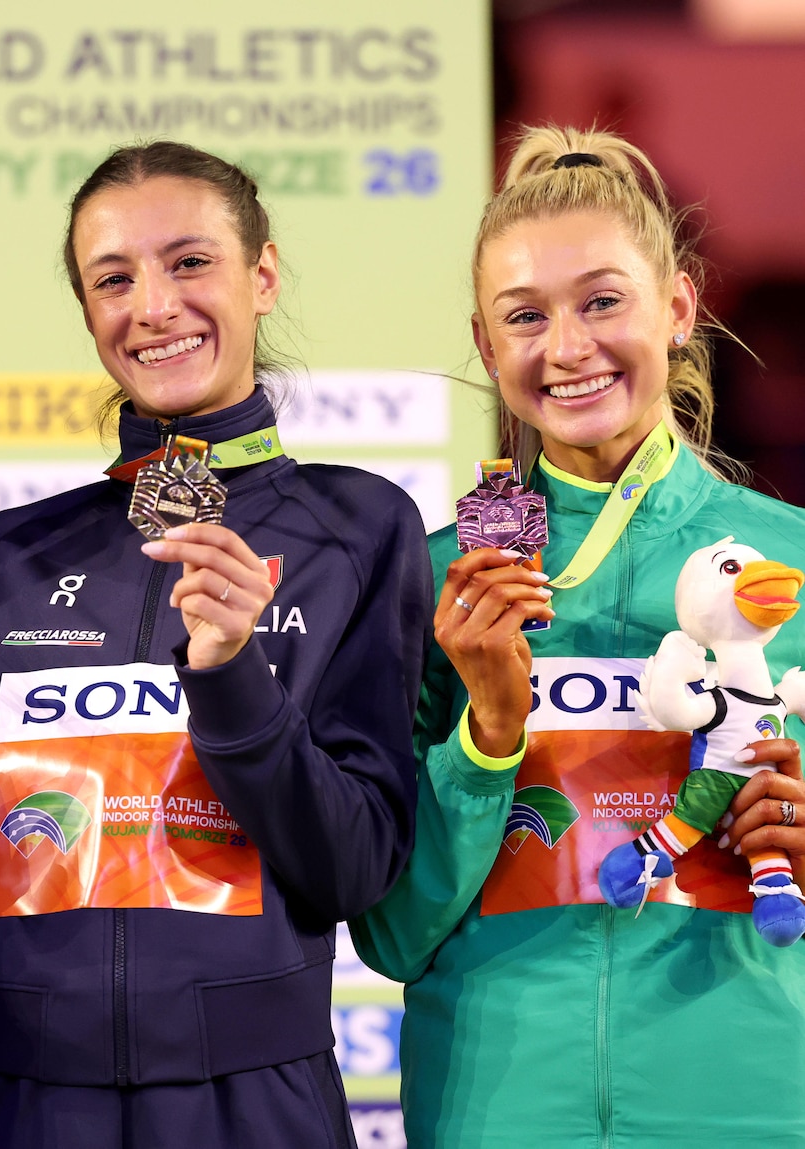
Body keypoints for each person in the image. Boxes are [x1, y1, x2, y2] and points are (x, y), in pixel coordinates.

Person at [0, 140, 432, 1149]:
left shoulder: (358, 528)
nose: (154, 306)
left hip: (255, 1105)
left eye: (190, 262)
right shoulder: (0, 559)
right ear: (88, 312)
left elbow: (354, 871)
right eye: (113, 279)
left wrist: (231, 674)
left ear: (263, 275)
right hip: (25, 1105)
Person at [350, 124, 805, 1149]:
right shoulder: (434, 582)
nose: (565, 348)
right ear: (486, 346)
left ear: (678, 308)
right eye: (526, 316)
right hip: (499, 1103)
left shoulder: (791, 560)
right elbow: (391, 933)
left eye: (603, 301)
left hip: (753, 1091)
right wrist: (486, 735)